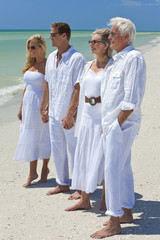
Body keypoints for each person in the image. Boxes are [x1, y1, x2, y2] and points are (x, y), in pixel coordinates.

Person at [91, 17, 146, 239]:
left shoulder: (133, 58)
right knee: (122, 168)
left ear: (125, 36)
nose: (109, 37)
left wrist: (116, 124)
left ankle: (114, 222)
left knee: (111, 170)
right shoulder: (117, 60)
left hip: (121, 125)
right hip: (113, 124)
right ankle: (126, 212)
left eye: (113, 34)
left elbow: (132, 99)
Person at [65, 28, 113, 211]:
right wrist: (71, 113)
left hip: (102, 117)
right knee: (84, 156)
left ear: (106, 45)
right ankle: (84, 200)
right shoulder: (87, 65)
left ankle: (105, 199)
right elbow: (79, 90)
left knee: (103, 158)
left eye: (95, 42)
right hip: (86, 116)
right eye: (90, 42)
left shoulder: (112, 66)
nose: (91, 45)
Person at [40, 22, 86, 196]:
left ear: (64, 36)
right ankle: (62, 183)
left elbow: (78, 88)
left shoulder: (77, 58)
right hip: (53, 113)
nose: (50, 37)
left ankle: (80, 187)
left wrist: (70, 114)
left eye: (53, 34)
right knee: (57, 148)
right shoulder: (51, 57)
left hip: (69, 114)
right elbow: (48, 83)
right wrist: (44, 108)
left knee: (75, 150)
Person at [14, 34, 51, 187]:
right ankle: (32, 172)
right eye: (29, 48)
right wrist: (21, 106)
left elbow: (52, 88)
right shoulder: (30, 64)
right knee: (30, 136)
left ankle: (44, 170)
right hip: (29, 105)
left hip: (41, 105)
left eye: (33, 47)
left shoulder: (49, 65)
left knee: (43, 136)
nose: (31, 50)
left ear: (42, 47)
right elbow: (27, 87)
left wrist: (47, 107)